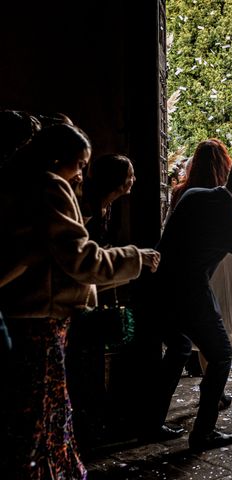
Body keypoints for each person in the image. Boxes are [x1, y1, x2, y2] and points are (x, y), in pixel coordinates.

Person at [0, 124, 160, 479]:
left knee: (37, 408)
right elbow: (80, 258)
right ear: (59, 159)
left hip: (26, 313)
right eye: (80, 165)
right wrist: (136, 258)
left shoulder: (17, 185)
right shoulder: (49, 186)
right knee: (42, 411)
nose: (82, 175)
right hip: (42, 316)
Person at [138, 155, 232, 452]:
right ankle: (203, 432)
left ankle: (152, 423)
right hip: (190, 293)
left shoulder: (193, 195)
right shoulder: (229, 220)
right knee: (220, 355)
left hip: (157, 286)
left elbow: (208, 232)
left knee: (179, 347)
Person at [66, 153, 137, 448]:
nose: (134, 180)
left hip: (95, 289)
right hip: (78, 294)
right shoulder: (85, 206)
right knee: (83, 363)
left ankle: (95, 422)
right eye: (131, 174)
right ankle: (87, 428)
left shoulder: (109, 206)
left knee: (92, 359)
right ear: (119, 180)